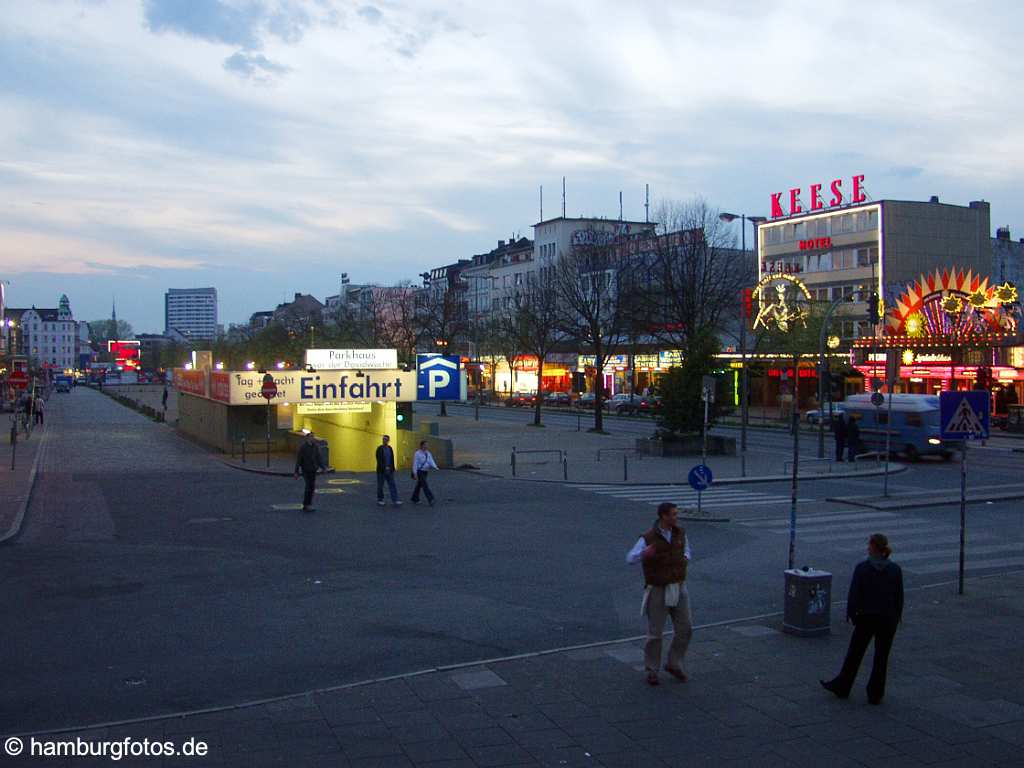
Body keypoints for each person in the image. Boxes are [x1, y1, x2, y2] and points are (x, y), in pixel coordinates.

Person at [821, 533, 904, 704]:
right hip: (887, 619)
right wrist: (896, 616)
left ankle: (843, 685)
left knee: (855, 654)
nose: (867, 547)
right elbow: (899, 596)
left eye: (869, 544)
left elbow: (854, 594)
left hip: (866, 617)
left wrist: (852, 614)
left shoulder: (863, 568)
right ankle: (875, 693)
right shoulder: (895, 569)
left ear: (874, 547)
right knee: (881, 657)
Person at [626, 502, 693, 686]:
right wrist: (644, 554)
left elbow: (687, 550)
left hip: (678, 586)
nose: (675, 518)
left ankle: (674, 662)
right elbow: (630, 558)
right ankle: (652, 669)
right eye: (672, 515)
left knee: (685, 628)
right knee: (655, 633)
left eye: (676, 514)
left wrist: (685, 558)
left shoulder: (680, 533)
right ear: (663, 516)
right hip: (658, 588)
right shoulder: (648, 537)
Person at [293, 431, 326, 513]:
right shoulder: (303, 447)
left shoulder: (315, 446)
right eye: (311, 437)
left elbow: (319, 457)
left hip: (313, 469)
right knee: (308, 486)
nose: (313, 438)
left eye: (313, 437)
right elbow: (299, 460)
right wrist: (296, 472)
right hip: (306, 470)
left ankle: (308, 504)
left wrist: (323, 467)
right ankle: (306, 505)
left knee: (312, 487)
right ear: (307, 438)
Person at [375, 434, 402, 507]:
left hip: (390, 471)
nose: (384, 440)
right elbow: (379, 460)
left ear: (388, 441)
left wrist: (392, 468)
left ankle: (395, 500)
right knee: (380, 485)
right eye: (383, 439)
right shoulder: (379, 449)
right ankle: (380, 499)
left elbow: (392, 459)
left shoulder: (390, 448)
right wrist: (384, 467)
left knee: (392, 485)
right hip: (381, 471)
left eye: (386, 439)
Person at [410, 440, 438, 506]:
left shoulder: (428, 453)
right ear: (422, 445)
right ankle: (430, 499)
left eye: (427, 445)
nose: (427, 446)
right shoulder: (417, 453)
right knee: (425, 485)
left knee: (419, 485)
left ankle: (414, 498)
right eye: (425, 445)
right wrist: (414, 473)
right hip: (420, 471)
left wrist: (435, 467)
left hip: (425, 471)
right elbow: (415, 463)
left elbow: (431, 461)